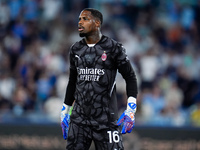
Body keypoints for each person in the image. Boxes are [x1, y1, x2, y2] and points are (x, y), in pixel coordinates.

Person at [61, 8, 138, 150]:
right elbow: (72, 81)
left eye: (85, 19)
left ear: (97, 23)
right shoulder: (75, 49)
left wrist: (131, 108)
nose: (80, 22)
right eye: (79, 19)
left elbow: (130, 77)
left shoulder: (113, 48)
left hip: (106, 120)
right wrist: (65, 110)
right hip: (79, 120)